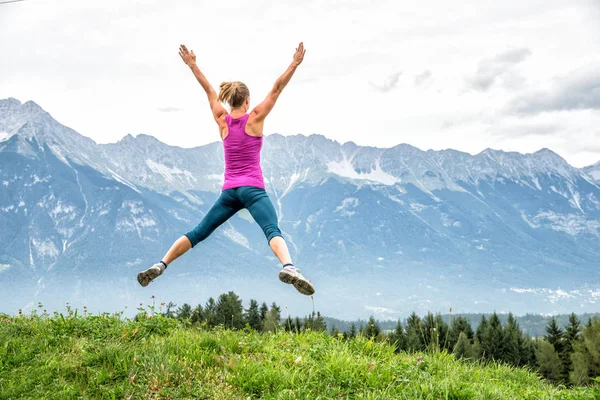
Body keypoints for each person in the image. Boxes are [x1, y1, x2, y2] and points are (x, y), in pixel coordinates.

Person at [137, 42, 314, 296]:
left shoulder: (222, 120)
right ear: (247, 101)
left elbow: (208, 90)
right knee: (272, 230)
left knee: (198, 232)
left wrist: (192, 64)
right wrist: (295, 63)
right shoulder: (254, 119)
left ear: (229, 99)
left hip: (229, 191)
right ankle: (288, 266)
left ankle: (161, 264)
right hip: (252, 189)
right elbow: (277, 88)